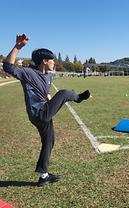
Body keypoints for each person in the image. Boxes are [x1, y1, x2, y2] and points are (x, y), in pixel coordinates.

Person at [3, 34, 91, 186]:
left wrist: (52, 102)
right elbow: (8, 67)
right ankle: (78, 98)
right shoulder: (29, 73)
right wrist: (18, 47)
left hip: (44, 111)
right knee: (64, 93)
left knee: (49, 141)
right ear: (44, 61)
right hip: (38, 113)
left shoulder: (48, 77)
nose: (54, 62)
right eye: (52, 60)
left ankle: (43, 176)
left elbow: (45, 94)